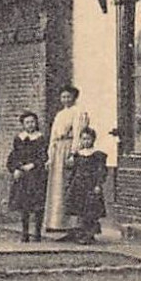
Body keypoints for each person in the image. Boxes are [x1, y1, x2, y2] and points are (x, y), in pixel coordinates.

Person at [42, 85, 89, 237]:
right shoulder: (60, 114)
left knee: (68, 184)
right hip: (58, 150)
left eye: (68, 97)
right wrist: (50, 155)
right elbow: (53, 136)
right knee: (57, 185)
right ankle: (56, 223)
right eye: (63, 97)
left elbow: (78, 134)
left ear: (74, 97)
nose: (66, 100)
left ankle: (70, 224)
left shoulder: (78, 112)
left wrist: (73, 153)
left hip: (68, 148)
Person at [6, 111, 49, 242]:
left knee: (37, 205)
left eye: (32, 122)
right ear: (23, 125)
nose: (30, 125)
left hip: (37, 176)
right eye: (27, 122)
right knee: (24, 205)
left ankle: (37, 233)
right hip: (23, 176)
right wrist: (16, 168)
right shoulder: (19, 139)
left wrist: (34, 164)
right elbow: (14, 156)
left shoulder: (41, 138)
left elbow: (44, 156)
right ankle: (24, 233)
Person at [62, 127, 109, 244]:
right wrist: (69, 184)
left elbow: (101, 171)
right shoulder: (78, 155)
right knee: (80, 209)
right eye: (83, 139)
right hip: (78, 185)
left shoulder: (97, 155)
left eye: (88, 139)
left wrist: (98, 184)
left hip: (91, 185)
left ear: (93, 140)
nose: (86, 141)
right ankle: (81, 232)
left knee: (91, 209)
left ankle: (90, 233)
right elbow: (72, 170)